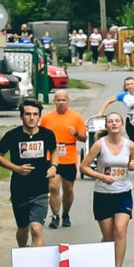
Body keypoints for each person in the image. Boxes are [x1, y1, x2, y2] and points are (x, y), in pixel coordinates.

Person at [80, 112, 134, 267]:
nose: (114, 124)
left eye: (117, 121)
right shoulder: (99, 145)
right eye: (110, 122)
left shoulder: (131, 146)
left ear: (122, 125)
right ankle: (104, 262)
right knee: (108, 237)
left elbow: (133, 165)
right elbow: (83, 167)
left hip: (123, 192)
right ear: (106, 126)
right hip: (103, 194)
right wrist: (101, 176)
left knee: (120, 230)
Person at [0, 100, 59, 248]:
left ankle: (37, 263)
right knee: (23, 228)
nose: (31, 118)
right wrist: (16, 168)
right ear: (21, 116)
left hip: (40, 189)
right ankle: (23, 252)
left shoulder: (47, 134)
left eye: (35, 114)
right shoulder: (12, 135)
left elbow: (54, 151)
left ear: (39, 116)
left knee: (36, 229)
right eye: (28, 114)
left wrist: (54, 166)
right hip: (19, 189)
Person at [39, 90, 87, 231]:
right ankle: (55, 215)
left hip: (69, 156)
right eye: (58, 100)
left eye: (63, 100)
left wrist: (76, 134)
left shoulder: (76, 117)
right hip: (51, 155)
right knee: (53, 187)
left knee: (68, 189)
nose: (61, 103)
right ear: (54, 101)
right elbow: (41, 135)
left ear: (68, 101)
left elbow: (84, 138)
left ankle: (66, 214)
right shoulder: (47, 118)